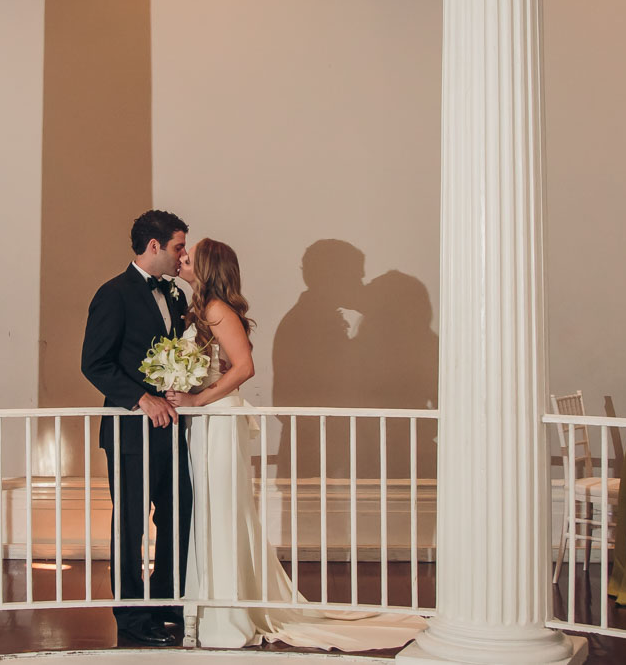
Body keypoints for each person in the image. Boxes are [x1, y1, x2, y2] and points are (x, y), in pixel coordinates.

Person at [168, 238, 425, 651]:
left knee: (221, 512)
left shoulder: (216, 309)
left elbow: (245, 367)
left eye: (189, 256)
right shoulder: (204, 309)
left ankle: (228, 615)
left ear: (207, 266)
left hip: (217, 419)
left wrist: (198, 398)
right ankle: (215, 609)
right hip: (208, 422)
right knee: (215, 512)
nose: (181, 259)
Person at [79, 209, 193, 647]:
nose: (183, 255)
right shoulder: (114, 293)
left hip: (173, 430)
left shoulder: (178, 296)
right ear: (154, 247)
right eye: (178, 246)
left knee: (176, 514)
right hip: (129, 432)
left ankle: (167, 601)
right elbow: (95, 363)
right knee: (130, 525)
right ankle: (131, 617)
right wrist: (140, 398)